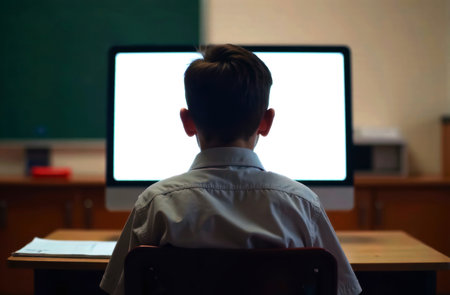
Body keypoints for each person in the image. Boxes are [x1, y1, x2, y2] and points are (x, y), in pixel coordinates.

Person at [100, 44, 362, 295]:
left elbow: (121, 287)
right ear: (266, 122)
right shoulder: (302, 204)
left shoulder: (154, 204)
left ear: (187, 122)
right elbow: (341, 288)